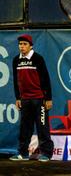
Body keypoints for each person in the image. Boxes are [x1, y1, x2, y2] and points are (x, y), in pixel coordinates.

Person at [9, 34, 54, 162]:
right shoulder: (16, 60)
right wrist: (18, 98)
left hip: (39, 99)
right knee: (25, 127)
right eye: (20, 44)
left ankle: (46, 153)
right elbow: (16, 81)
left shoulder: (38, 58)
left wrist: (48, 98)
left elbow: (46, 79)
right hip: (25, 99)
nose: (21, 47)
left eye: (24, 44)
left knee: (42, 127)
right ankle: (23, 153)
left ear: (30, 46)